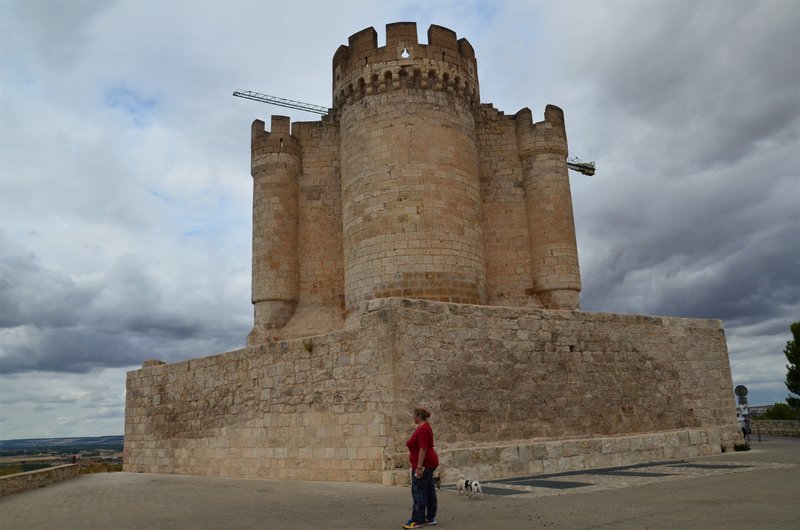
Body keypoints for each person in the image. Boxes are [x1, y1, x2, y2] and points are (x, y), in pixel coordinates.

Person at [403, 406, 439, 529]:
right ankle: (430, 517)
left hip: (424, 465)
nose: (412, 417)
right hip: (429, 463)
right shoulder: (425, 427)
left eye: (413, 415)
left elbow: (423, 448)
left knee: (418, 491)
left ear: (418, 417)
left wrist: (419, 467)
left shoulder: (423, 429)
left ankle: (418, 520)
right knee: (428, 490)